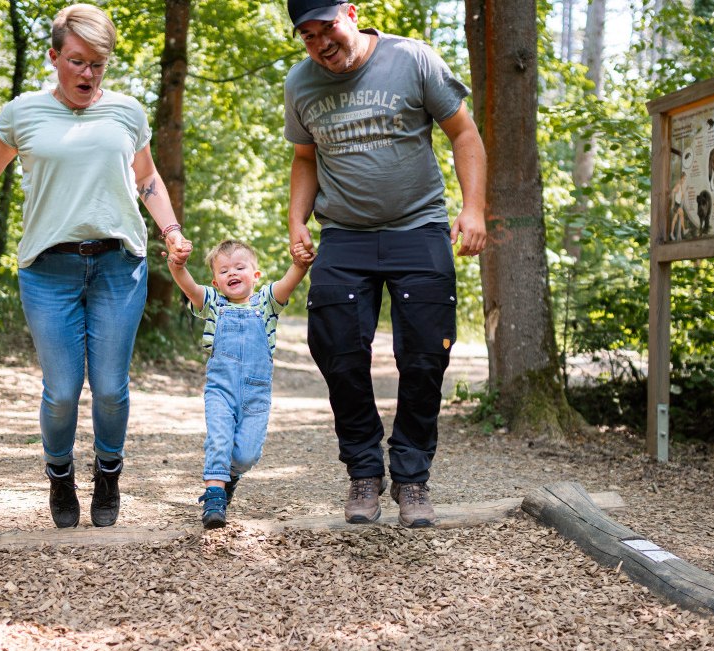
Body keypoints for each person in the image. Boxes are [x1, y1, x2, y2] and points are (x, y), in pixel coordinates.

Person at [0, 4, 191, 529]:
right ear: (54, 57)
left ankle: (108, 474)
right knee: (62, 390)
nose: (89, 74)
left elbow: (147, 179)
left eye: (99, 65)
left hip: (118, 266)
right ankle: (59, 476)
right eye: (78, 62)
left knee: (110, 387)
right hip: (47, 270)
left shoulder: (127, 112)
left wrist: (170, 231)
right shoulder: (24, 112)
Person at [283, 0, 487, 528]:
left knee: (424, 358)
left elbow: (463, 133)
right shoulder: (300, 84)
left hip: (418, 231)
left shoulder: (412, 59)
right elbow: (305, 158)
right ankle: (364, 472)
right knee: (338, 352)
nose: (320, 43)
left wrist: (473, 209)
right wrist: (297, 222)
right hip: (344, 238)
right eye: (307, 36)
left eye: (326, 27)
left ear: (350, 13)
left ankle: (412, 478)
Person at [167, 238, 314, 529]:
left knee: (247, 454)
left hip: (256, 392)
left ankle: (230, 477)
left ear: (255, 275)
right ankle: (214, 496)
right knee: (219, 439)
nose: (232, 273)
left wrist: (299, 264)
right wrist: (177, 265)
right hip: (220, 389)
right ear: (216, 281)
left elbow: (288, 282)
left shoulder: (267, 303)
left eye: (239, 267)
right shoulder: (212, 303)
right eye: (223, 271)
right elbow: (190, 287)